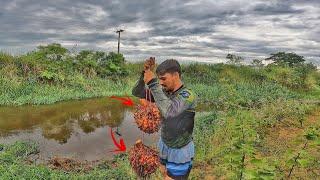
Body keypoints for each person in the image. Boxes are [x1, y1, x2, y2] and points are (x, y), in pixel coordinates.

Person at [132, 58, 197, 180]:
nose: (160, 83)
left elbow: (170, 111)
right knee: (164, 173)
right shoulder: (163, 93)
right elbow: (137, 92)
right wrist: (144, 74)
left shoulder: (187, 95)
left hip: (180, 149)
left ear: (176, 75)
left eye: (163, 78)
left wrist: (153, 83)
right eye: (159, 79)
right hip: (164, 144)